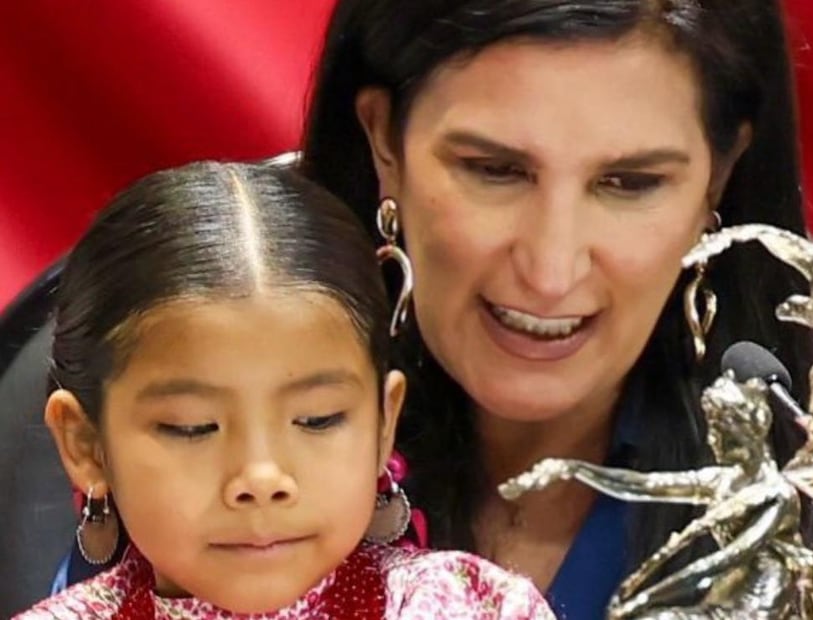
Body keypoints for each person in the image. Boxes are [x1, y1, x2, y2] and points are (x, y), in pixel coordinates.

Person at [57, 0, 813, 615]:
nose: (550, 271)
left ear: (721, 175)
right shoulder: (221, 370)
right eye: (494, 171)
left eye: (629, 183)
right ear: (383, 140)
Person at [17, 161, 554, 618]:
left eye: (318, 419)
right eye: (193, 427)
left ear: (383, 423)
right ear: (86, 445)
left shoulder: (473, 608)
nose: (261, 478)